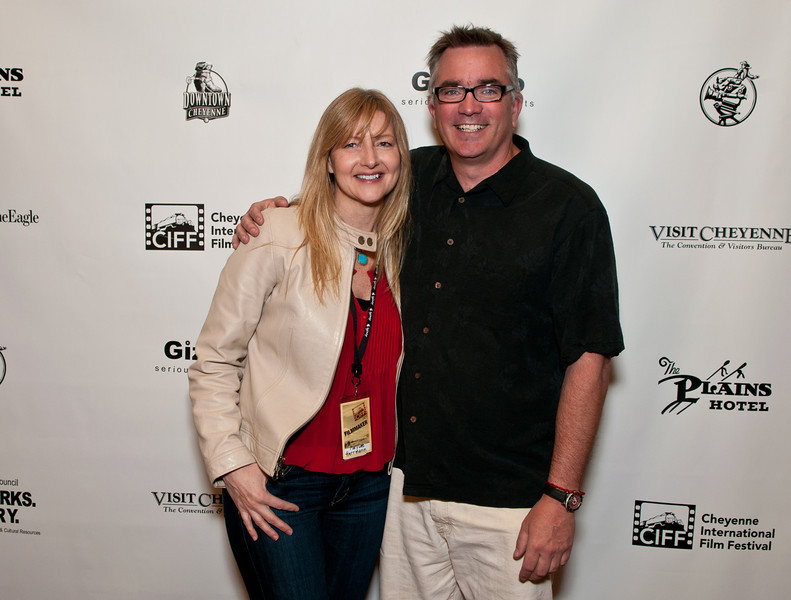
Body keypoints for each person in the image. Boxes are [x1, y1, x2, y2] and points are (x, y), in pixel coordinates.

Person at [234, 25, 624, 599]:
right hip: (399, 496)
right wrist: (278, 210)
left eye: (488, 89)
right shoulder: (407, 180)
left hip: (510, 510)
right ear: (432, 104)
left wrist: (561, 497)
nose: (469, 106)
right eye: (451, 90)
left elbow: (590, 358)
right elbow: (344, 193)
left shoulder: (569, 208)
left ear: (516, 102)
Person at [189, 88, 411, 600]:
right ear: (328, 160)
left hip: (369, 486)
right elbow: (215, 359)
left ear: (402, 155)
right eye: (352, 144)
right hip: (282, 486)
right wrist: (234, 466)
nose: (371, 158)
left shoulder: (405, 247)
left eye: (384, 142)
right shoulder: (278, 234)